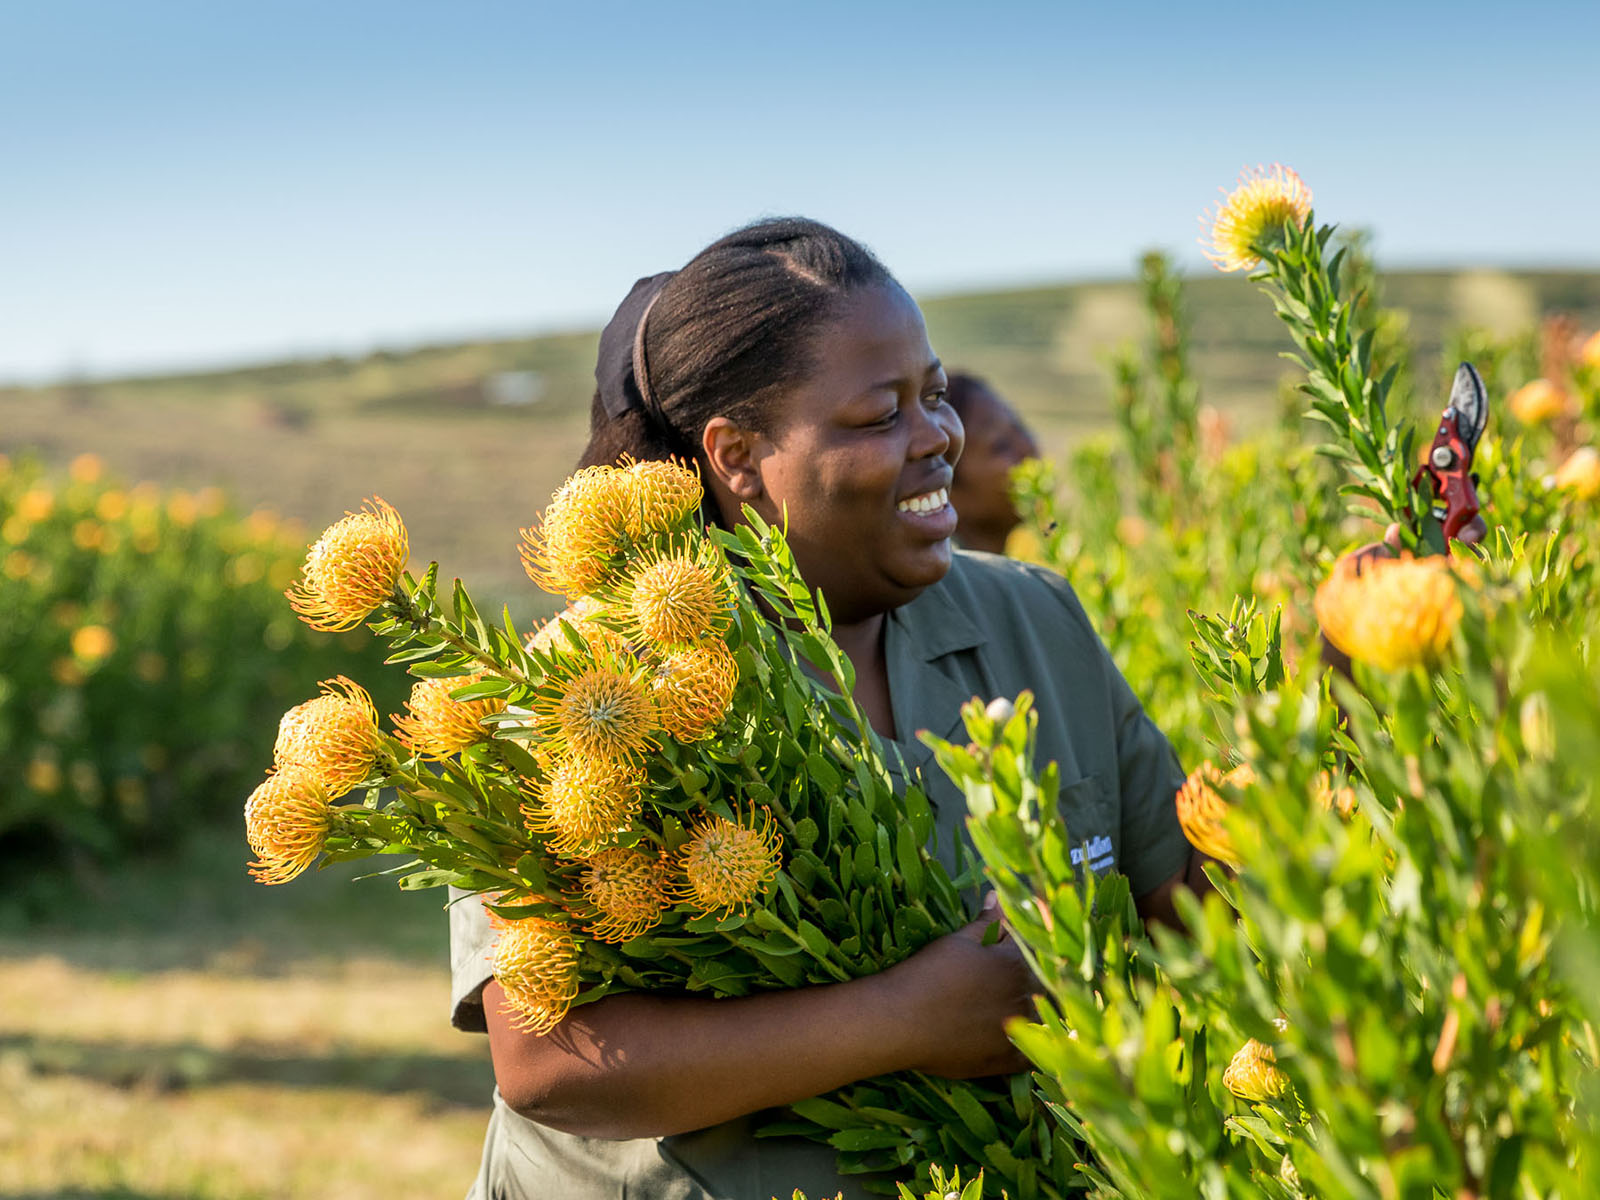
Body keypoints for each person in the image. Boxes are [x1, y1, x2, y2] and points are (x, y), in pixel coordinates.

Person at [449, 218, 1206, 1200]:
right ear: (737, 455)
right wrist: (907, 1018)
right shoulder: (587, 694)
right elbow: (548, 1065)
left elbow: (1187, 906)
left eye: (933, 395)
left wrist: (1360, 691)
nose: (938, 435)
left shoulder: (1035, 618)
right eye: (877, 415)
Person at [943, 372, 1040, 554]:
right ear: (946, 489)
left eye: (1020, 428)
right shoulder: (945, 580)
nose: (1027, 449)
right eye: (1000, 445)